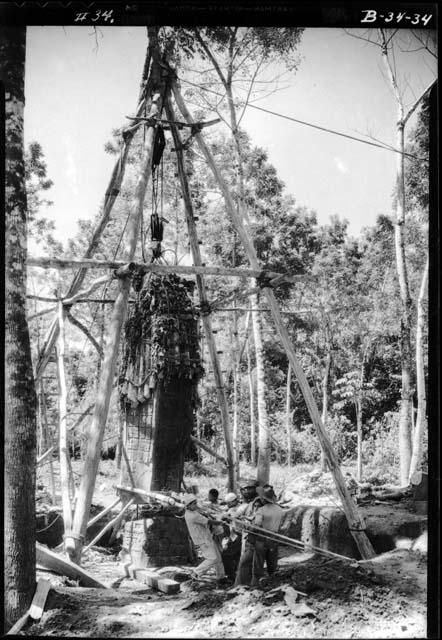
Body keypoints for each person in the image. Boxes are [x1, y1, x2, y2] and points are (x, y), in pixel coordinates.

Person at [183, 493, 227, 584]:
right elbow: (209, 521)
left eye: (195, 503)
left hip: (207, 538)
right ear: (188, 505)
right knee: (212, 558)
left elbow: (203, 512)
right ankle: (196, 572)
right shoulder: (193, 516)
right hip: (203, 540)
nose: (196, 505)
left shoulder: (192, 512)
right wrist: (220, 522)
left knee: (218, 558)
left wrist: (208, 512)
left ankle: (221, 577)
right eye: (193, 504)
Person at [251, 485, 285, 587]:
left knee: (258, 563)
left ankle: (256, 584)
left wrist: (250, 527)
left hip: (262, 538)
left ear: (263, 499)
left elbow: (257, 524)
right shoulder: (280, 509)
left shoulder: (261, 510)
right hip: (274, 538)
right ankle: (273, 583)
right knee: (272, 563)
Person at [233, 478, 263, 586]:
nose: (243, 492)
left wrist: (243, 519)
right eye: (243, 489)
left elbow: (255, 520)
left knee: (245, 562)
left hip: (253, 536)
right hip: (249, 534)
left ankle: (242, 584)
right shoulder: (250, 503)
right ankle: (245, 582)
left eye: (246, 489)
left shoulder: (256, 502)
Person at [219, 492, 242, 581]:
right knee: (236, 555)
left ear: (234, 501)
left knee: (226, 555)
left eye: (229, 503)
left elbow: (226, 517)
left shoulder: (235, 510)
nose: (228, 505)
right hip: (235, 534)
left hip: (237, 535)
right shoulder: (238, 507)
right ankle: (236, 574)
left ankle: (231, 576)